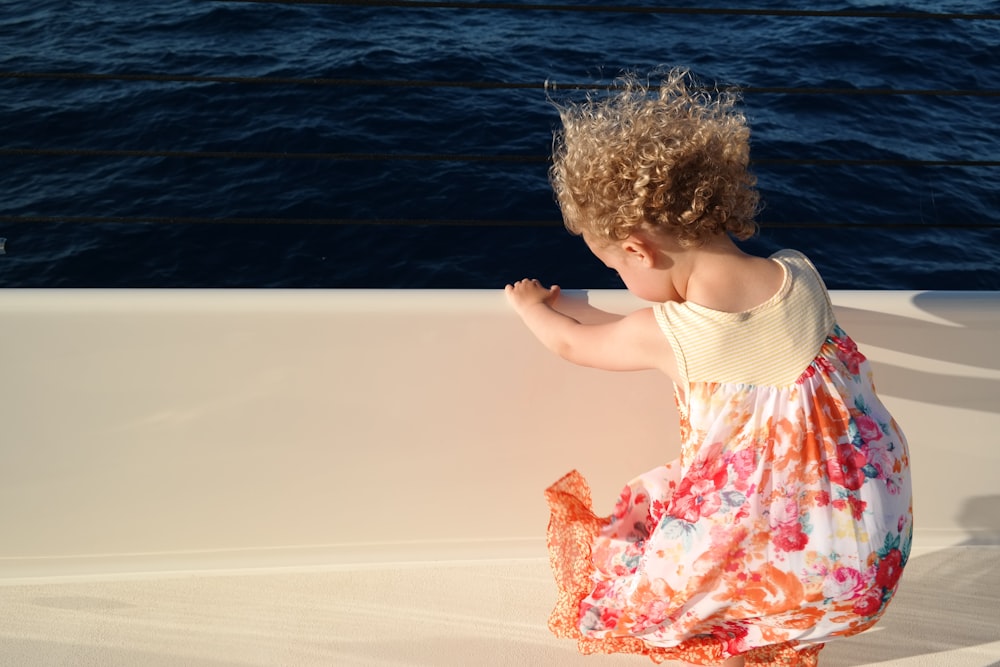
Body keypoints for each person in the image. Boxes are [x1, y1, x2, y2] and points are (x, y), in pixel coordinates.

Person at [504, 69, 913, 667]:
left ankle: (743, 610)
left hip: (801, 574)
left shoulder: (669, 335)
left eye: (618, 267)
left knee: (640, 550)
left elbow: (572, 343)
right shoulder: (801, 274)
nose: (625, 281)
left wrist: (530, 306)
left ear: (639, 250)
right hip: (875, 551)